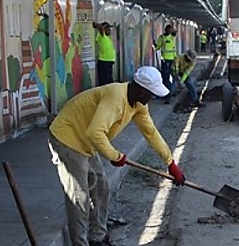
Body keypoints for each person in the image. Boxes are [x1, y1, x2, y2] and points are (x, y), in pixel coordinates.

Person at [48, 66, 186, 246]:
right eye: (151, 93)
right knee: (79, 196)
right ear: (141, 89)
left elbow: (151, 133)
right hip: (67, 137)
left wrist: (170, 163)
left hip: (87, 142)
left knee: (101, 187)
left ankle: (97, 237)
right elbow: (95, 132)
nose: (152, 98)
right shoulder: (116, 97)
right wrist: (115, 155)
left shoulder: (138, 104)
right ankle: (80, 243)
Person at [155, 24, 177, 104]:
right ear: (165, 30)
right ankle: (167, 94)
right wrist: (155, 45)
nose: (170, 31)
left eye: (170, 30)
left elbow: (173, 48)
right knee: (165, 77)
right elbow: (158, 47)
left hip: (172, 59)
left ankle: (169, 93)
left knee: (171, 77)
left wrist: (175, 58)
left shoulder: (172, 37)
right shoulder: (162, 38)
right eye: (168, 30)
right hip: (165, 60)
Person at [94, 22, 116, 86]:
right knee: (105, 82)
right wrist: (95, 24)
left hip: (108, 62)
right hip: (104, 62)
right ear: (104, 29)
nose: (109, 30)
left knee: (109, 81)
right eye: (108, 29)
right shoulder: (101, 36)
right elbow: (100, 28)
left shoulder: (107, 38)